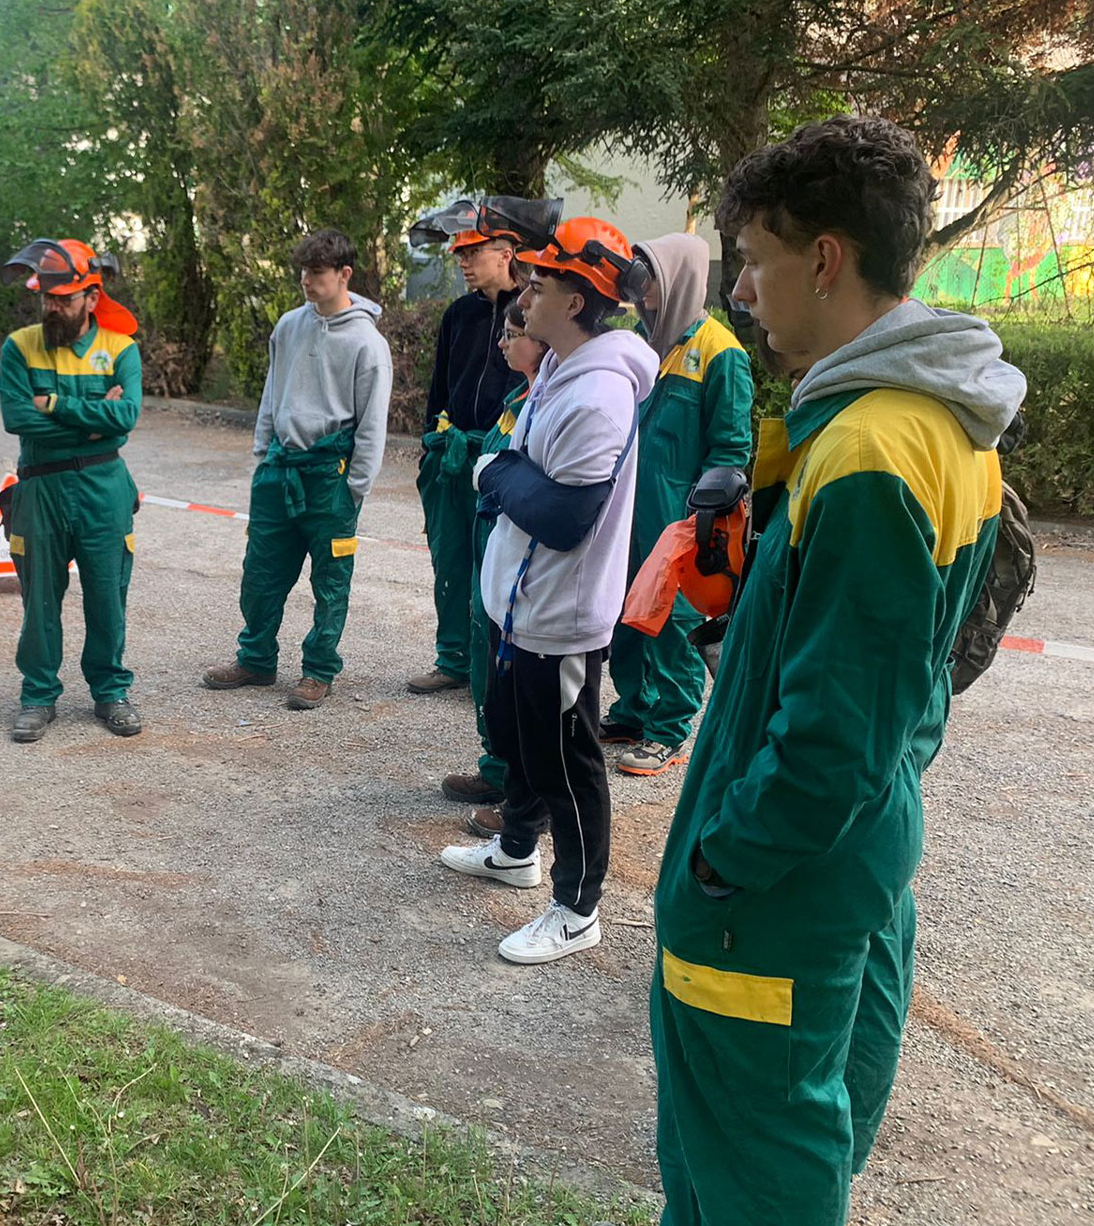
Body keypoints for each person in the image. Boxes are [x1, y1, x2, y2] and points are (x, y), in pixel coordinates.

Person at [651, 117, 1025, 1226]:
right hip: (857, 851)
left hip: (780, 882)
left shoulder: (869, 452)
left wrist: (725, 855)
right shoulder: (936, 422)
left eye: (759, 261)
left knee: (754, 1161)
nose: (746, 293)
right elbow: (900, 663)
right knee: (810, 1117)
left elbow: (834, 739)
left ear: (824, 257)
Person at [437, 216, 655, 964]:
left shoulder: (598, 392)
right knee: (521, 741)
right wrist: (508, 474)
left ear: (575, 298)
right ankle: (517, 849)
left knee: (568, 761)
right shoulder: (560, 369)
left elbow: (564, 516)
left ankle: (576, 906)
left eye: (540, 281)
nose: (525, 292)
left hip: (560, 614)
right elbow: (529, 479)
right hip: (519, 603)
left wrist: (494, 472)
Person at [202, 229, 392, 710]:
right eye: (304, 272)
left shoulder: (368, 344)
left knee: (330, 581)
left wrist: (356, 487)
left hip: (330, 475)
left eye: (318, 272)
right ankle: (256, 659)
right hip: (279, 469)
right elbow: (273, 390)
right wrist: (263, 453)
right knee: (261, 572)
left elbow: (372, 422)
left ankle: (319, 670)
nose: (307, 281)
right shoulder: (289, 325)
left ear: (344, 274)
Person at [602, 233, 754, 778]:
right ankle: (632, 710)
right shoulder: (636, 344)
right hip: (624, 512)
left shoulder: (720, 352)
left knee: (671, 620)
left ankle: (669, 729)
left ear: (681, 282)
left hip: (680, 518)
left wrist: (706, 521)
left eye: (651, 286)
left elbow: (731, 449)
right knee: (624, 614)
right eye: (638, 288)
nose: (642, 298)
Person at [0, 238, 144, 744]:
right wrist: (94, 419)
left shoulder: (121, 349)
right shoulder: (19, 346)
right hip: (40, 490)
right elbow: (18, 420)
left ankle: (110, 692)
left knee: (107, 595)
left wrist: (53, 405)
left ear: (91, 297)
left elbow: (125, 423)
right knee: (39, 598)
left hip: (105, 488)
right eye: (48, 297)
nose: (53, 306)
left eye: (64, 298)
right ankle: (38, 695)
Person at [411, 217, 526, 703]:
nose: (462, 263)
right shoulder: (459, 314)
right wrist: (429, 446)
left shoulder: (530, 313)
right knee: (450, 560)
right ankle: (452, 660)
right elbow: (439, 383)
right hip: (452, 456)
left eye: (471, 253)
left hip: (499, 454)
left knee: (495, 565)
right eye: (458, 254)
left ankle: (493, 668)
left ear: (505, 253)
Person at [447, 304, 544, 837]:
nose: (503, 344)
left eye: (513, 335)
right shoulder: (516, 400)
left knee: (523, 682)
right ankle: (497, 770)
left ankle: (527, 801)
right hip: (495, 550)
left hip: (527, 565)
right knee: (491, 668)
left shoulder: (550, 403)